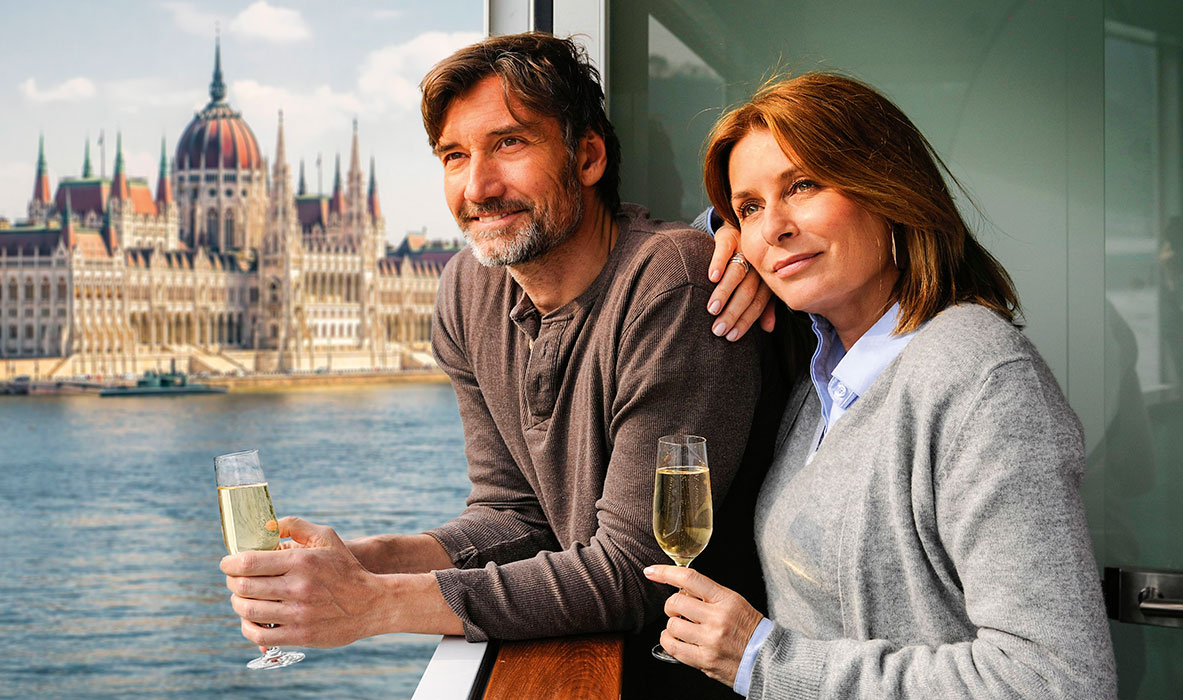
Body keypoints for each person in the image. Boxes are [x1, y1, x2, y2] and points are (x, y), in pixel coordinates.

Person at [220, 32, 780, 689]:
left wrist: (374, 604)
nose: (478, 186)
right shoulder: (467, 289)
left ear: (588, 156)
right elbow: (514, 516)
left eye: (509, 144)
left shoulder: (672, 283)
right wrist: (365, 560)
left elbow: (637, 571)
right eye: (454, 156)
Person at [644, 72, 1117, 698]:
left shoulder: (978, 375)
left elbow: (1058, 681)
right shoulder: (823, 375)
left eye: (803, 185)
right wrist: (724, 233)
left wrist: (764, 660)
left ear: (886, 187)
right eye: (750, 206)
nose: (773, 227)